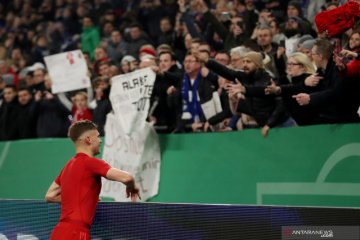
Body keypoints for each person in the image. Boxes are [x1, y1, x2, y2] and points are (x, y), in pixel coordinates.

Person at [45, 120, 140, 240]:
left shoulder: (68, 166)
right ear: (88, 139)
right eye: (98, 136)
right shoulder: (91, 163)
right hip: (76, 234)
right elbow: (128, 177)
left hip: (59, 232)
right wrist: (132, 187)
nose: (100, 140)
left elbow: (50, 196)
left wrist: (82, 199)